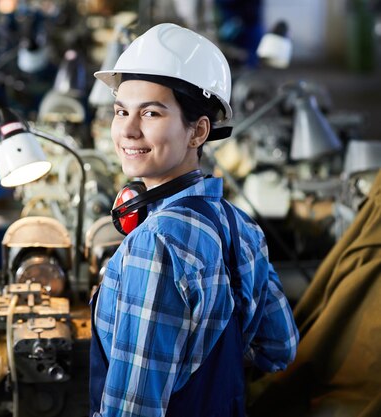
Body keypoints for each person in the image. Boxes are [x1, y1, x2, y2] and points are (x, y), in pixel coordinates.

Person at [89, 23, 299, 417]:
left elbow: (132, 410)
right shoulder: (240, 225)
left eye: (151, 112)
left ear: (198, 131)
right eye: (121, 111)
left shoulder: (155, 244)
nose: (128, 130)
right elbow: (279, 348)